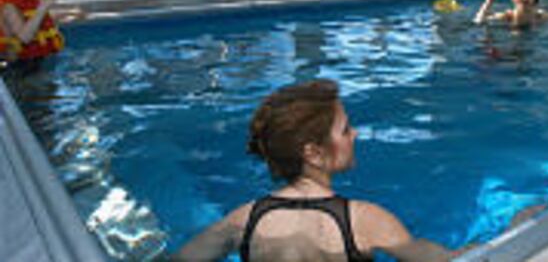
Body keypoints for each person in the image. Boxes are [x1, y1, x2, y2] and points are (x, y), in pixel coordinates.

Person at [173, 79, 454, 262]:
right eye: (345, 130)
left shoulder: (242, 220)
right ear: (314, 153)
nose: (355, 134)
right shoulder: (366, 220)